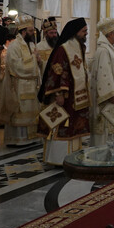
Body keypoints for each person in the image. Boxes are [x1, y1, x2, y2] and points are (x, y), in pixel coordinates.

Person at [37, 18, 90, 165]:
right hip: (65, 96)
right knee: (63, 125)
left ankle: (74, 156)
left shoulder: (79, 47)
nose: (86, 34)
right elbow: (57, 70)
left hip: (77, 95)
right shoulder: (63, 48)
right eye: (84, 31)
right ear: (75, 32)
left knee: (75, 125)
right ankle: (59, 158)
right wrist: (59, 93)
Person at [89, 18, 114, 147]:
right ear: (110, 34)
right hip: (109, 97)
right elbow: (104, 74)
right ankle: (102, 153)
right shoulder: (104, 51)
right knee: (107, 127)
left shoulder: (109, 48)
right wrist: (110, 94)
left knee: (113, 127)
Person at [1, 15, 41, 146]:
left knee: (31, 110)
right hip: (19, 85)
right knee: (20, 111)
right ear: (23, 31)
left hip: (31, 84)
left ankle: (31, 138)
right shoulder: (14, 46)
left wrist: (39, 61)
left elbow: (35, 63)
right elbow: (16, 66)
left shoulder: (30, 44)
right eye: (30, 31)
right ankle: (18, 139)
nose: (33, 33)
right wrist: (34, 59)